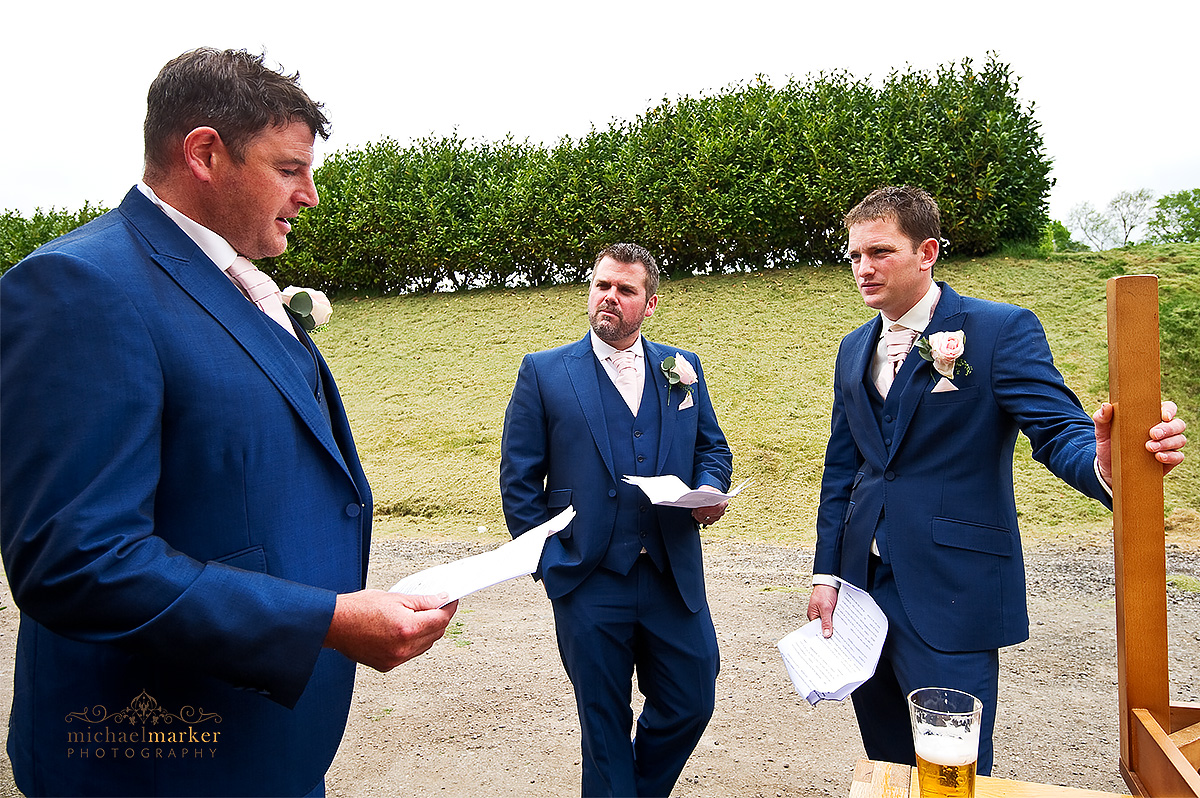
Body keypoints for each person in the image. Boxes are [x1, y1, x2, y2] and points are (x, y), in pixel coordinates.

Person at [0, 48, 457, 797]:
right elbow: (77, 563)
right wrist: (324, 620)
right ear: (205, 152)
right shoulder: (80, 287)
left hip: (262, 748)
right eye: (289, 169)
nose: (311, 195)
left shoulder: (235, 282)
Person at [806, 185, 1187, 776]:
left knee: (950, 770)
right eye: (854, 255)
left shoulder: (999, 330)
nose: (862, 268)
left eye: (879, 252)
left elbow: (1058, 429)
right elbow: (844, 468)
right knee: (885, 761)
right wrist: (827, 573)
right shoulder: (853, 348)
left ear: (927, 251)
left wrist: (1105, 465)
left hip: (952, 587)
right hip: (862, 590)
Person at [500, 243, 733, 797]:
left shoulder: (682, 368)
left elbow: (712, 449)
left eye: (625, 290)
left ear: (649, 304)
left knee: (691, 700)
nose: (610, 297)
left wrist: (711, 489)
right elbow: (518, 481)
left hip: (669, 573)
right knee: (603, 726)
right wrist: (550, 565)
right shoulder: (544, 371)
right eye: (602, 285)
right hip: (588, 579)